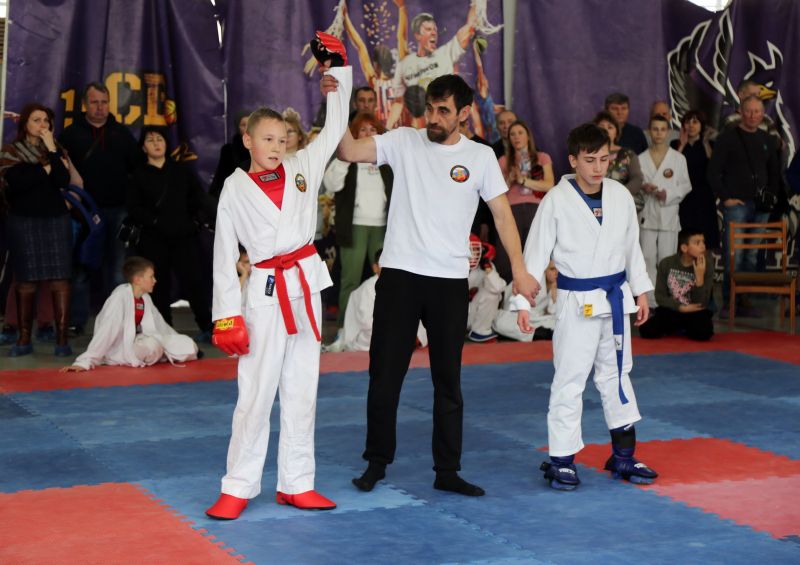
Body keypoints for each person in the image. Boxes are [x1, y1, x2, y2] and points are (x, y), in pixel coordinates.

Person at [337, 73, 538, 496]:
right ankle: (376, 462)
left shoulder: (480, 156)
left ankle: (447, 470)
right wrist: (337, 95)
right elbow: (349, 150)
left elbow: (503, 215)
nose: (433, 117)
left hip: (448, 281)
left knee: (448, 381)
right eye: (429, 108)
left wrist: (520, 270)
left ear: (464, 113)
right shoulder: (403, 141)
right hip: (400, 275)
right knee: (384, 376)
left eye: (443, 111)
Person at [205, 48, 352, 520]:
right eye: (267, 139)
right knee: (255, 391)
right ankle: (238, 486)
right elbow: (223, 254)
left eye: (282, 139)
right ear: (247, 139)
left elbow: (335, 128)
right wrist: (226, 316)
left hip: (304, 286)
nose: (276, 146)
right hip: (265, 291)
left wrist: (337, 74)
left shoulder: (303, 167)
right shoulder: (234, 187)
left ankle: (297, 482)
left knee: (302, 389)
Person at [513, 123, 657, 491]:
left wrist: (641, 291)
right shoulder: (556, 200)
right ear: (573, 160)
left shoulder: (620, 196)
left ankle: (623, 455)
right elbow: (535, 253)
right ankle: (561, 459)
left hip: (615, 298)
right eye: (590, 160)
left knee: (617, 374)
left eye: (604, 159)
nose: (598, 167)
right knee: (570, 377)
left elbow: (631, 247)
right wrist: (523, 302)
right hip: (576, 303)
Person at [58, 82, 140, 318]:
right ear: (85, 104)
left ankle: (118, 320)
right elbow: (60, 172)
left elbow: (137, 170)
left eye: (104, 102)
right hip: (83, 212)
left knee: (117, 267)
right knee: (80, 266)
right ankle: (76, 320)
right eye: (94, 102)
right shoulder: (70, 134)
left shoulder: (122, 133)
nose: (100, 107)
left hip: (118, 210)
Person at [126, 126, 215, 339]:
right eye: (150, 140)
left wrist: (195, 222)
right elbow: (134, 207)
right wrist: (155, 221)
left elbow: (198, 199)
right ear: (143, 148)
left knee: (194, 281)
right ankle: (164, 329)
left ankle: (206, 325)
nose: (156, 143)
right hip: (153, 239)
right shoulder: (137, 175)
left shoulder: (181, 171)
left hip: (184, 236)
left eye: (160, 139)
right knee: (158, 285)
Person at [0, 103, 74, 357]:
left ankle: (62, 340)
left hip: (55, 219)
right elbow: (18, 183)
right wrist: (46, 169)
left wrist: (52, 150)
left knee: (60, 279)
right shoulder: (11, 151)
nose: (43, 125)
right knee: (26, 280)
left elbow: (62, 180)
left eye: (46, 120)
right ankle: (23, 338)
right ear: (25, 124)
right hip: (23, 220)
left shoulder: (56, 149)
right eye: (36, 120)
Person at [707, 96, 781, 317]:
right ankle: (729, 302)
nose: (753, 115)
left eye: (757, 111)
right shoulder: (727, 138)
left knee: (751, 255)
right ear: (740, 111)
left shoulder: (767, 139)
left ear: (763, 113)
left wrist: (771, 197)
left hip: (761, 207)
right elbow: (713, 173)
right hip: (736, 206)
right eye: (748, 111)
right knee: (735, 256)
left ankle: (744, 301)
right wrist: (726, 198)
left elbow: (775, 173)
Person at [60, 256, 198, 371]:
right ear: (137, 279)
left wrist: (172, 341)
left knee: (188, 344)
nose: (155, 281)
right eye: (151, 277)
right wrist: (85, 361)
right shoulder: (119, 298)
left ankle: (161, 353)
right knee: (152, 346)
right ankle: (160, 353)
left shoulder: (145, 298)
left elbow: (161, 327)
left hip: (139, 340)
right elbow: (107, 331)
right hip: (119, 348)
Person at [322, 113, 391, 342]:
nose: (368, 134)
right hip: (354, 226)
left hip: (382, 226)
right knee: (350, 280)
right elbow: (331, 185)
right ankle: (344, 329)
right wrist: (345, 158)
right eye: (363, 129)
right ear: (354, 133)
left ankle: (388, 325)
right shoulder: (346, 157)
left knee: (387, 279)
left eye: (373, 129)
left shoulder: (386, 157)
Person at [386, 7, 477, 129]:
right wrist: (387, 129)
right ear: (417, 35)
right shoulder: (404, 64)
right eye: (428, 29)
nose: (434, 33)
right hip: (420, 129)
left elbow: (469, 27)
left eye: (435, 30)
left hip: (445, 128)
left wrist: (476, 4)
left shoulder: (445, 53)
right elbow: (398, 102)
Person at [325, 249, 428, 353]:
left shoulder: (403, 285)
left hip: (398, 330)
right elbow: (366, 321)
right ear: (375, 268)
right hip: (373, 332)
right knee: (378, 336)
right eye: (386, 265)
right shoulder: (368, 288)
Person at [638, 115, 692, 307]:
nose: (659, 133)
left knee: (667, 259)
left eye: (662, 129)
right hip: (648, 214)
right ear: (649, 131)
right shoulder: (640, 158)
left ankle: (667, 300)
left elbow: (686, 186)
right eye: (655, 129)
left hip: (669, 215)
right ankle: (651, 301)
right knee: (647, 258)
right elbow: (635, 184)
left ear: (668, 132)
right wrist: (644, 187)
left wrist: (667, 194)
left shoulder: (678, 158)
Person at [494, 120, 555, 281]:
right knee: (506, 256)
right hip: (511, 209)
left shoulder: (542, 158)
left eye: (520, 133)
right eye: (512, 134)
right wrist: (510, 179)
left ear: (528, 136)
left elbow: (549, 185)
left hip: (536, 208)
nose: (516, 137)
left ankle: (536, 289)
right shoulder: (503, 161)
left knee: (534, 252)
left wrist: (523, 180)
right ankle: (508, 289)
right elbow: (497, 192)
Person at [639, 230, 714, 341]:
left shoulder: (707, 265)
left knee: (704, 332)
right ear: (684, 248)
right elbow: (660, 297)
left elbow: (703, 302)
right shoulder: (667, 263)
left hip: (694, 312)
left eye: (703, 242)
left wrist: (699, 278)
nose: (703, 246)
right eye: (697, 243)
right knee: (646, 330)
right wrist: (680, 308)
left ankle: (683, 328)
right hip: (672, 310)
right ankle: (680, 327)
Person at [671, 110, 719, 250]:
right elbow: (670, 167)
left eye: (695, 122)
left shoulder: (709, 144)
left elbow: (714, 168)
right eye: (688, 122)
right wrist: (682, 145)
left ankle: (703, 262)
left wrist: (705, 143)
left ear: (701, 125)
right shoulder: (675, 144)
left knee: (705, 236)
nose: (691, 125)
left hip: (704, 196)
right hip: (683, 196)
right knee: (684, 237)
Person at [493, 260, 558, 342]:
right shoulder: (533, 280)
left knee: (558, 321)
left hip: (538, 319)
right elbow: (510, 306)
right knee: (500, 322)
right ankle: (537, 334)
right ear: (545, 270)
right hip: (517, 315)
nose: (556, 273)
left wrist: (554, 294)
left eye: (558, 270)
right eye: (552, 269)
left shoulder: (556, 285)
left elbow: (552, 311)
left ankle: (539, 333)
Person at [593, 111, 643, 208]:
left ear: (616, 132)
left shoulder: (628, 154)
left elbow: (637, 179)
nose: (605, 130)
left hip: (622, 203)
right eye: (602, 127)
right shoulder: (588, 154)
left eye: (610, 127)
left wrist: (618, 194)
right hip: (596, 203)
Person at [466, 234, 505, 343]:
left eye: (475, 250)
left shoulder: (485, 267)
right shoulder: (449, 267)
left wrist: (487, 267)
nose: (472, 254)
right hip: (450, 317)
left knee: (493, 293)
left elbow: (498, 287)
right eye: (469, 249)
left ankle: (480, 330)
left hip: (472, 315)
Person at [210, 111, 251, 199]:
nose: (247, 128)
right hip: (234, 196)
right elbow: (220, 178)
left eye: (250, 124)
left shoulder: (261, 148)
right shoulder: (228, 150)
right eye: (243, 125)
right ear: (238, 127)